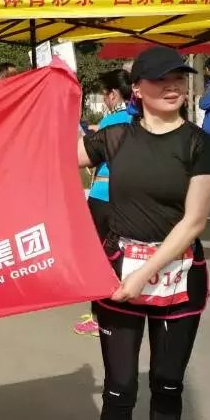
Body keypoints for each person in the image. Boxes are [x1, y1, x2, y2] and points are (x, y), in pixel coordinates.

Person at [78, 47, 210, 420]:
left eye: (179, 77)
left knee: (167, 382)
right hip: (118, 278)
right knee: (120, 388)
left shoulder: (201, 144)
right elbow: (50, 160)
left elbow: (194, 222)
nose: (173, 86)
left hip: (176, 277)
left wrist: (145, 274)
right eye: (161, 79)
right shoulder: (115, 136)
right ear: (137, 89)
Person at [74, 70, 136, 338]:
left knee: (100, 259)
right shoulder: (143, 118)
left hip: (103, 197)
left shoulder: (111, 122)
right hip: (134, 199)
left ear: (113, 94)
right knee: (126, 254)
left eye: (105, 94)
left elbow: (83, 156)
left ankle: (99, 316)